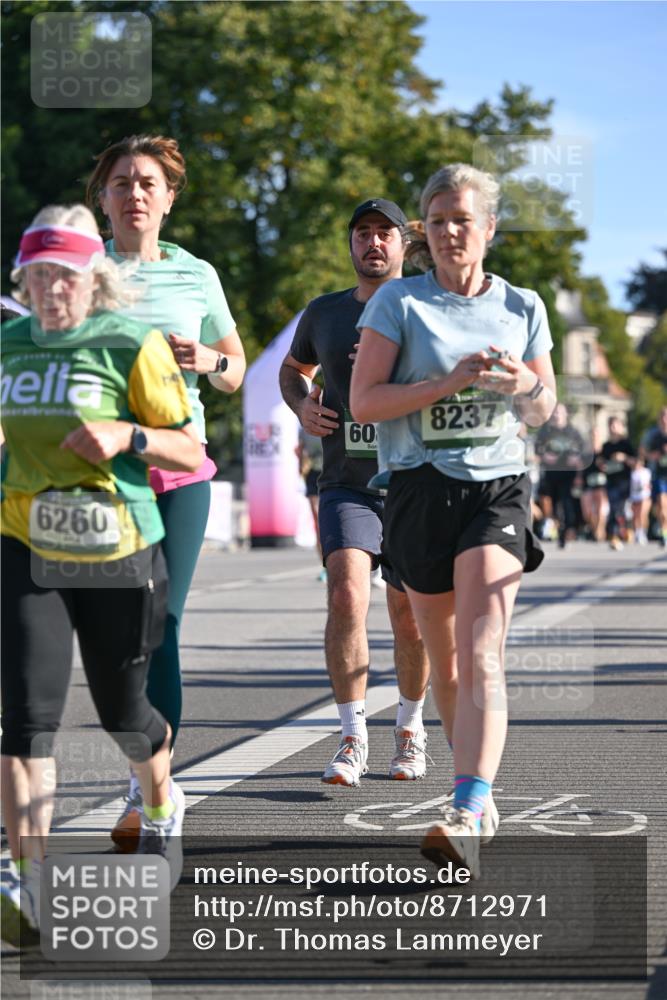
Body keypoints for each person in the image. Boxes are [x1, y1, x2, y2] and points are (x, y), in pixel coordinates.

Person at [1, 205, 202, 945]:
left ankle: (159, 804)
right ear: (23, 280)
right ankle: (26, 879)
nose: (52, 290)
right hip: (27, 543)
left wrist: (129, 433)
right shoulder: (8, 344)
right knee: (26, 718)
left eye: (66, 276)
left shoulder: (129, 343)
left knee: (125, 716)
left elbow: (189, 452)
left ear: (94, 281)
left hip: (118, 551)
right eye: (39, 276)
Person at [350, 163, 556, 877]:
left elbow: (542, 407)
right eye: (434, 223)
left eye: (460, 221)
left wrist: (520, 383)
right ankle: (469, 789)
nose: (445, 234)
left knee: (480, 653)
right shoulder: (398, 305)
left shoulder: (521, 304)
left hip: (494, 490)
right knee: (444, 661)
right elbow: (365, 404)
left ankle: (468, 805)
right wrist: (447, 383)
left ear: (488, 229)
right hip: (417, 488)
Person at [86, 135, 246, 843]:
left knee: (164, 624)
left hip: (179, 469)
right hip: (100, 474)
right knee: (117, 635)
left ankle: (147, 786)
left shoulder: (196, 275)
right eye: (121, 182)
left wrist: (210, 358)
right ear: (103, 198)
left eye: (148, 182)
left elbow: (235, 370)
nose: (135, 193)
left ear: (169, 197)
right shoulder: (80, 273)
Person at [279, 199, 434, 787]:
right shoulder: (324, 313)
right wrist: (301, 406)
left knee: (409, 618)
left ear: (401, 245)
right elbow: (293, 369)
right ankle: (351, 737)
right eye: (362, 233)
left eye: (384, 234)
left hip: (415, 485)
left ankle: (411, 728)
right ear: (350, 245)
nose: (373, 243)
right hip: (348, 483)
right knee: (346, 595)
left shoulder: (427, 304)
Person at [535, 402, 586, 548]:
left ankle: (565, 532)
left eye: (559, 412)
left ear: (565, 414)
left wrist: (576, 463)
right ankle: (554, 528)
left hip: (568, 475)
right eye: (554, 412)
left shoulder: (573, 432)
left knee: (566, 504)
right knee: (552, 505)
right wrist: (545, 456)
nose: (556, 415)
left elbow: (582, 453)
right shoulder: (545, 431)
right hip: (550, 474)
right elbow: (537, 451)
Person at [599, 416, 635, 550]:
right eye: (610, 426)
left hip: (624, 482)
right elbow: (601, 462)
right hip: (611, 482)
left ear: (621, 427)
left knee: (622, 508)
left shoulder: (626, 444)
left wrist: (624, 458)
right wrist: (601, 464)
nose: (613, 428)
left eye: (615, 425)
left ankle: (626, 530)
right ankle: (615, 535)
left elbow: (636, 462)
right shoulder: (606, 446)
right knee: (614, 508)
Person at [296, 427, 326, 579]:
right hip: (312, 474)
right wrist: (300, 465)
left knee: (329, 520)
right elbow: (300, 449)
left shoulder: (332, 416)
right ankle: (325, 566)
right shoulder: (304, 427)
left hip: (329, 471)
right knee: (318, 521)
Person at [643, 405, 667, 547]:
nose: (664, 419)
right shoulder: (654, 436)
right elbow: (644, 452)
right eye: (662, 416)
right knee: (662, 506)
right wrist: (653, 456)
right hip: (660, 475)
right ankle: (664, 533)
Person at [629, 456, 652, 544]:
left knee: (643, 514)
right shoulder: (632, 472)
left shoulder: (646, 471)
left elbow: (649, 483)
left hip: (644, 495)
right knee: (636, 516)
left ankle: (643, 532)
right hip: (634, 496)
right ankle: (637, 533)